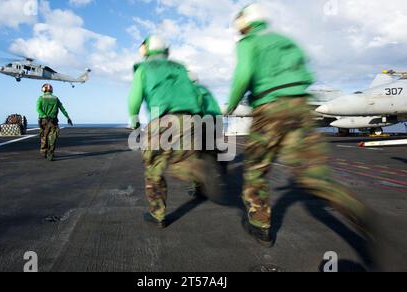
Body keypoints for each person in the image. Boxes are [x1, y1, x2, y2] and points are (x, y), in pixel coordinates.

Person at [227, 3, 371, 247]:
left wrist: (231, 105)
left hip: (269, 108)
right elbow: (307, 72)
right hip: (301, 107)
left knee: (255, 170)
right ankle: (360, 214)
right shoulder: (286, 41)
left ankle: (261, 226)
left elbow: (243, 74)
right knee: (313, 176)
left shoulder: (249, 42)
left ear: (246, 22)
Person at [128, 35, 222, 228]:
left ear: (146, 48)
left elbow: (134, 97)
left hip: (161, 120)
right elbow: (197, 96)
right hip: (189, 119)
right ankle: (195, 168)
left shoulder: (144, 68)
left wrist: (134, 120)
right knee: (181, 157)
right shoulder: (180, 67)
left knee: (154, 167)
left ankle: (158, 215)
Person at [37, 84, 73, 161]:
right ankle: (50, 155)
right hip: (53, 121)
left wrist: (44, 115)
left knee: (44, 136)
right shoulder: (55, 98)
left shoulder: (40, 98)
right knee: (52, 138)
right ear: (51, 89)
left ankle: (44, 151)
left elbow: (38, 109)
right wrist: (68, 117)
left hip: (44, 121)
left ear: (43, 89)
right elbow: (62, 108)